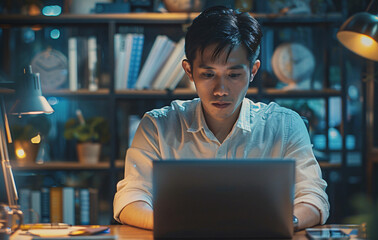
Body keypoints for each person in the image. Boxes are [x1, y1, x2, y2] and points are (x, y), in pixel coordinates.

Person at [113, 5, 329, 231]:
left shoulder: (285, 125)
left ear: (253, 71)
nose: (220, 90)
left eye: (234, 75)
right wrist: (177, 226)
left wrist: (283, 222)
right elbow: (130, 198)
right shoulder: (158, 125)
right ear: (189, 71)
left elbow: (313, 197)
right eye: (208, 74)